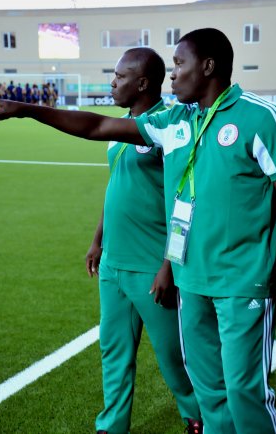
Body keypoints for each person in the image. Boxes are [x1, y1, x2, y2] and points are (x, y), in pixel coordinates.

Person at [0, 28, 276, 434]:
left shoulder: (260, 117)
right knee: (213, 395)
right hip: (192, 281)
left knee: (244, 395)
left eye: (180, 64)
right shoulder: (176, 121)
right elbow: (95, 126)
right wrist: (26, 109)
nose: (173, 75)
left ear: (208, 66)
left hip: (240, 282)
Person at [85, 47, 202, 434]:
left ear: (143, 83)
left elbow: (185, 198)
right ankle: (112, 426)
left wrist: (168, 265)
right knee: (113, 351)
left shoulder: (168, 126)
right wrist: (98, 240)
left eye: (119, 77)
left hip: (152, 265)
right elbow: (115, 186)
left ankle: (198, 418)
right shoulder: (120, 128)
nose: (112, 82)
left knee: (174, 357)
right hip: (113, 263)